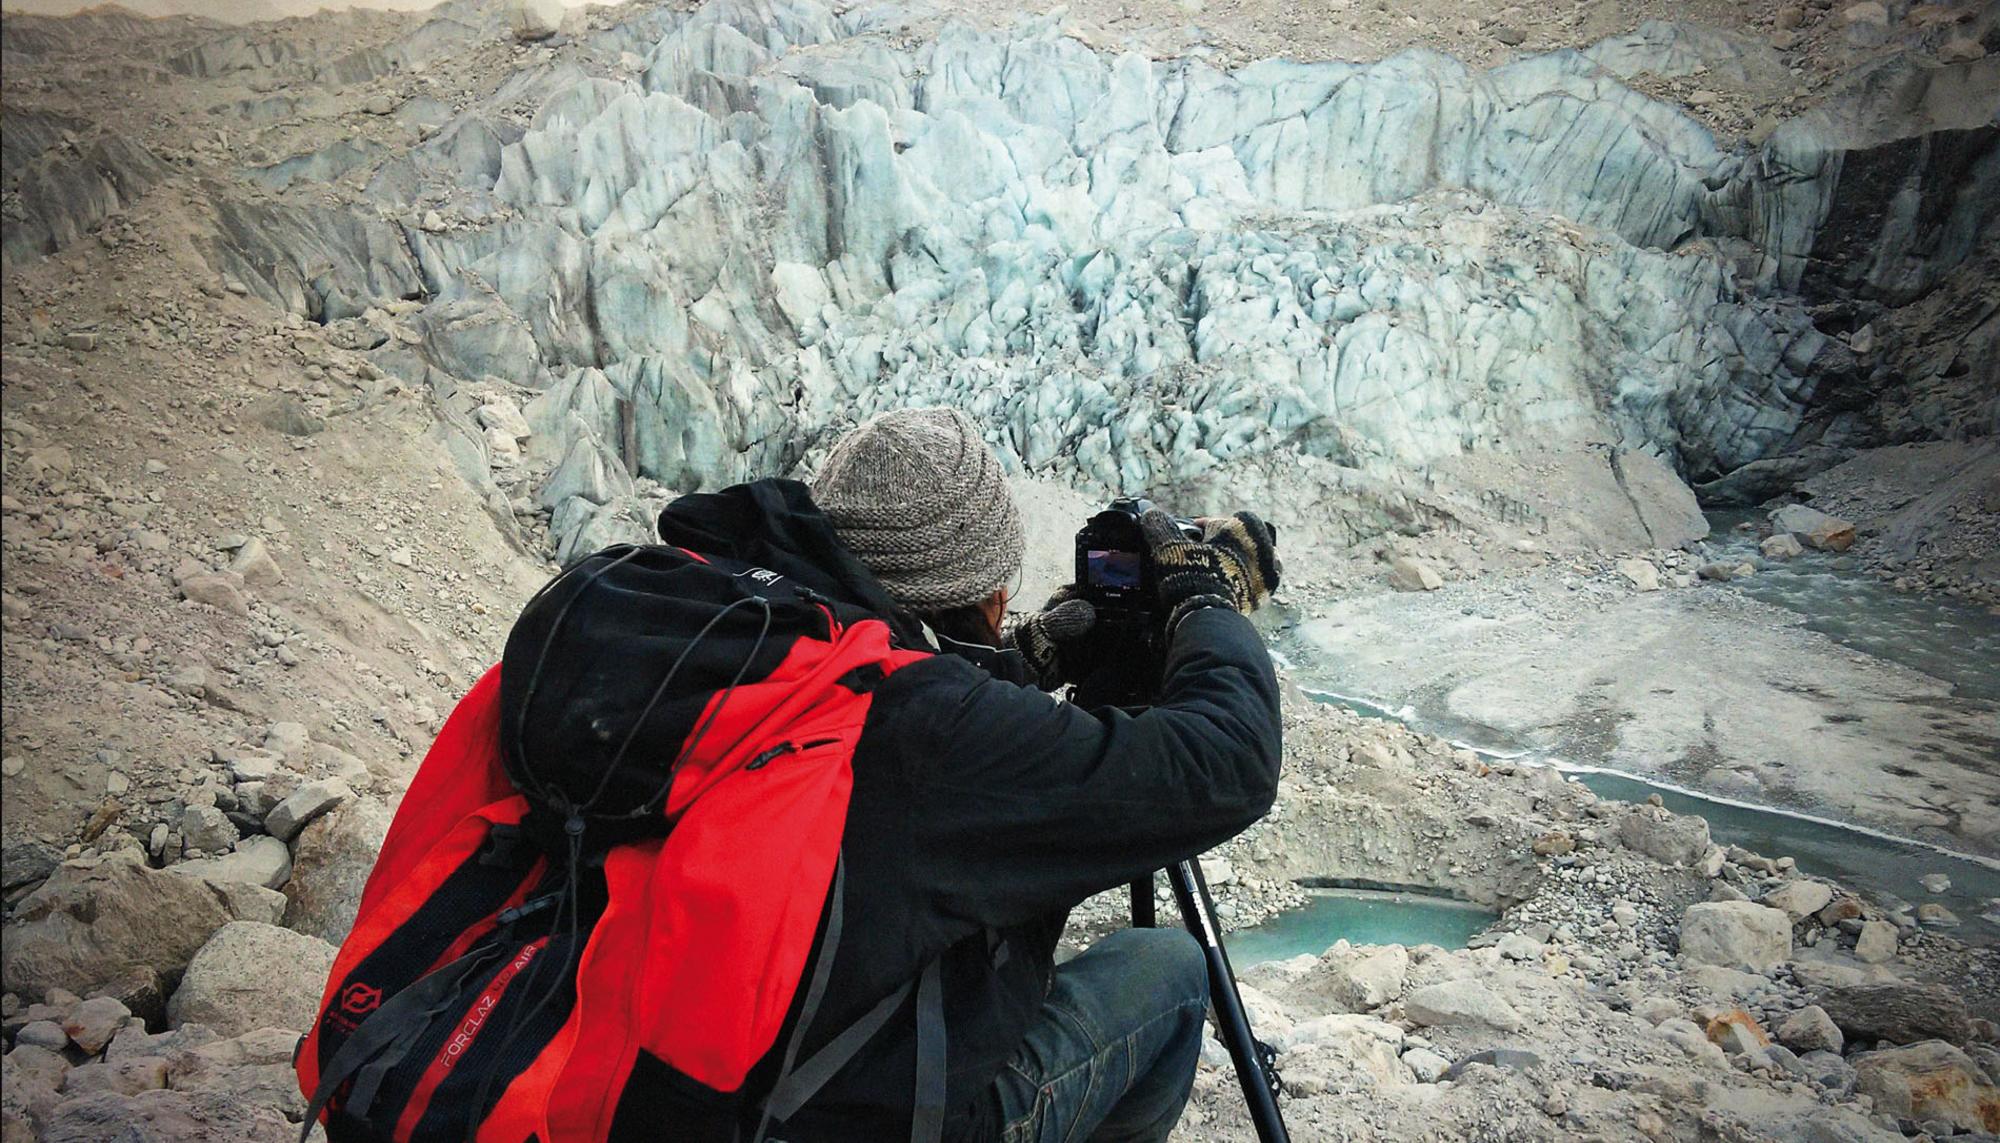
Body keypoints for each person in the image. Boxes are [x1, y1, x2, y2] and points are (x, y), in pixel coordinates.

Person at [656, 406, 1285, 1142]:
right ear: (987, 587)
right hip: (853, 1120)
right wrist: (1205, 603)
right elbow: (1231, 759)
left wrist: (1022, 657)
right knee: (1169, 969)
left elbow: (905, 684)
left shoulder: (759, 637)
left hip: (681, 1084)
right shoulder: (935, 737)